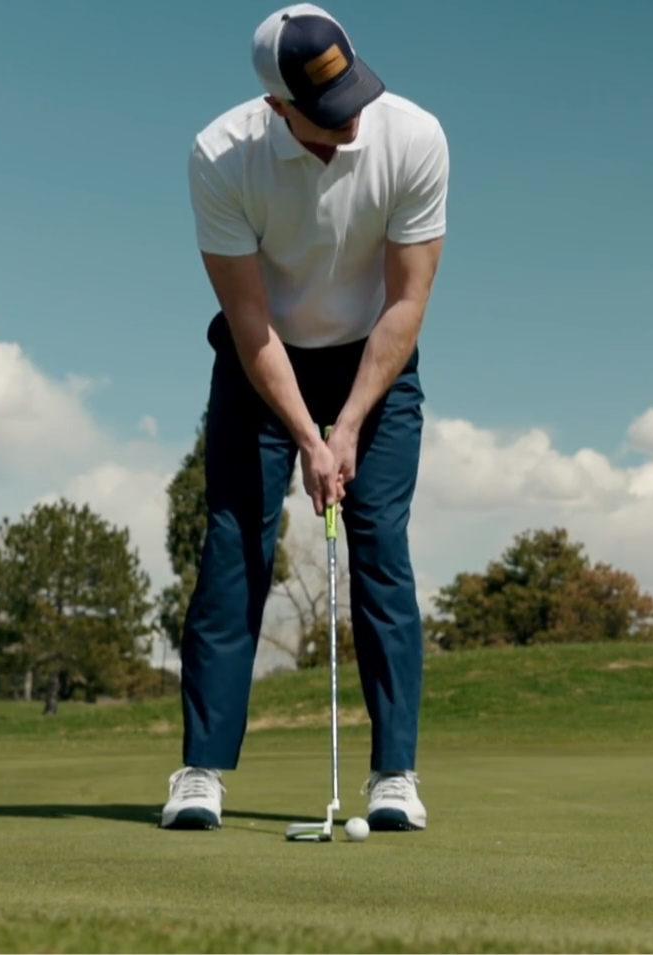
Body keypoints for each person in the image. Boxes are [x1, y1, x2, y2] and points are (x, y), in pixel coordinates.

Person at [160, 3, 448, 833]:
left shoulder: (414, 137)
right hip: (263, 360)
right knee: (235, 547)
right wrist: (305, 434)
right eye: (325, 112)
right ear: (277, 106)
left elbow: (408, 302)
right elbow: (250, 321)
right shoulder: (221, 156)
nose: (349, 121)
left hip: (376, 360)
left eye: (353, 97)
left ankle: (395, 774)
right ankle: (201, 770)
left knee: (380, 547)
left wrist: (346, 425)